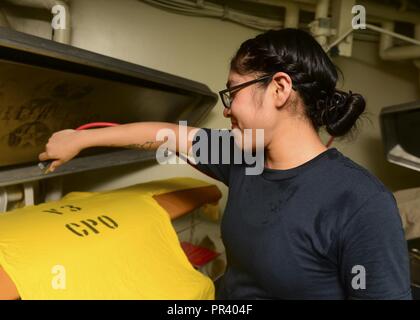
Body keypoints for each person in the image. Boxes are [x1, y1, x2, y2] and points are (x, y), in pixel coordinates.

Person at [39, 28, 412, 300]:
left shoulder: (360, 203)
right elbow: (168, 134)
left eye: (233, 91)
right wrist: (82, 139)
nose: (226, 108)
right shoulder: (243, 157)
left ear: (280, 89)